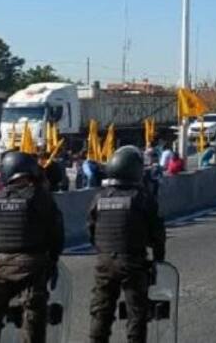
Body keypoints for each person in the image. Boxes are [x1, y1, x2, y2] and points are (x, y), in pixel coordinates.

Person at [0, 151, 65, 343]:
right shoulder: (38, 195)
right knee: (34, 315)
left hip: (0, 265)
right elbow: (56, 231)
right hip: (32, 264)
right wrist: (53, 258)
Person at [87, 146, 167, 343]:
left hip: (105, 262)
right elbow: (157, 233)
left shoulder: (100, 198)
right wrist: (158, 260)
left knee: (101, 312)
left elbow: (91, 230)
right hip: (132, 262)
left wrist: (104, 251)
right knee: (137, 314)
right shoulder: (141, 197)